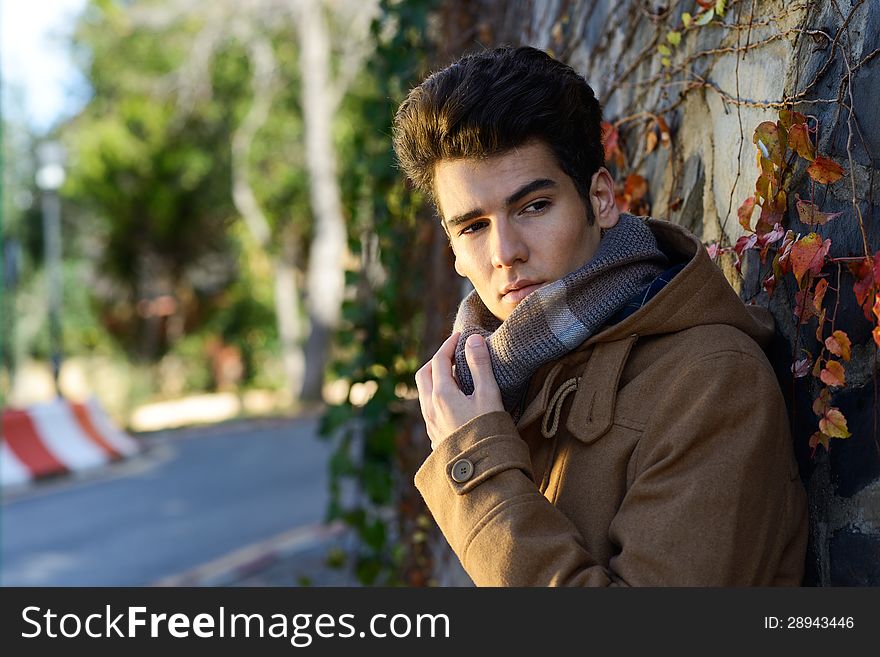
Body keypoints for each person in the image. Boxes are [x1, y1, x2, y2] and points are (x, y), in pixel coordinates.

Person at [392, 46, 808, 586]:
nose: (505, 251)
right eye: (472, 226)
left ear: (601, 198)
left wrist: (481, 472)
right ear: (453, 247)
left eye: (534, 206)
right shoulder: (494, 381)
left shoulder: (712, 380)